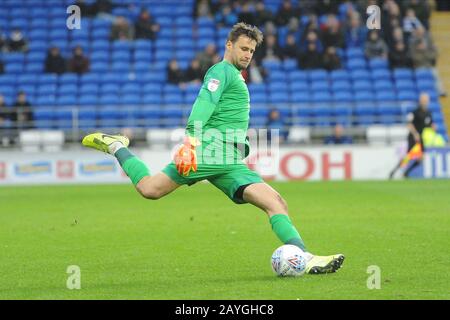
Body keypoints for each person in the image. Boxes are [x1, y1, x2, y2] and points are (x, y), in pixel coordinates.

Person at [82, 22, 344, 275]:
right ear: (228, 45)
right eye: (243, 48)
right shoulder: (221, 71)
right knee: (150, 189)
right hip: (210, 151)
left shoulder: (235, 76)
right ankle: (117, 145)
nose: (248, 54)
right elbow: (203, 104)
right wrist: (190, 143)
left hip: (229, 158)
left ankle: (305, 258)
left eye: (252, 51)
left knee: (275, 203)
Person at [389, 92, 433, 179]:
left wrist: (432, 127)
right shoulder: (415, 112)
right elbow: (409, 124)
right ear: (420, 100)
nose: (425, 101)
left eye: (426, 99)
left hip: (420, 137)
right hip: (413, 137)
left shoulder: (428, 113)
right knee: (408, 156)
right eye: (423, 99)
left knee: (421, 158)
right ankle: (393, 172)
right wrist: (415, 133)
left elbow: (428, 124)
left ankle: (406, 173)